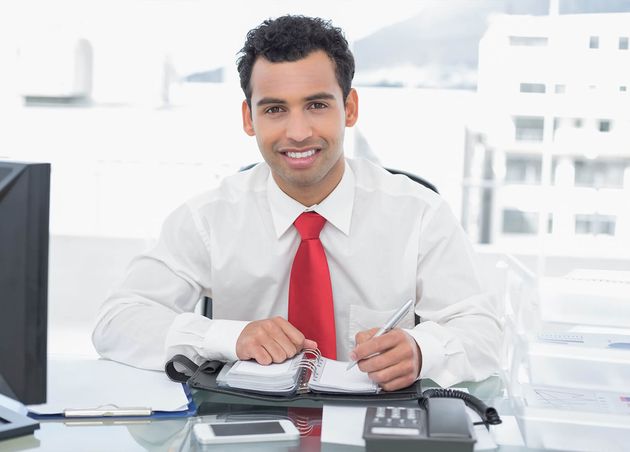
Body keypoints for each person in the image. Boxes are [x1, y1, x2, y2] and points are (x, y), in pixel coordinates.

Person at [93, 15, 500, 390]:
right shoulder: (209, 218)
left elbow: (483, 330)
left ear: (350, 108)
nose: (299, 132)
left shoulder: (420, 214)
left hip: (373, 424)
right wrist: (228, 336)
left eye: (317, 105)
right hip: (245, 425)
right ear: (249, 118)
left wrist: (421, 349)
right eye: (274, 109)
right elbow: (117, 321)